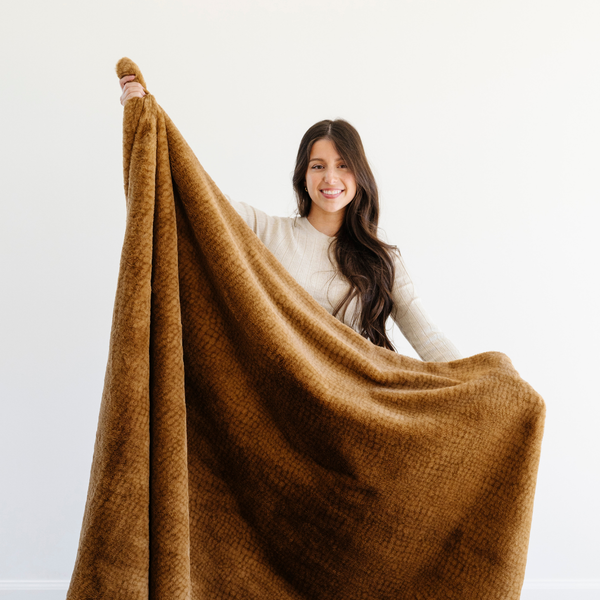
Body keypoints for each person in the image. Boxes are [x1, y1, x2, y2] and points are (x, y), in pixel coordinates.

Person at [119, 75, 462, 362]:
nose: (330, 178)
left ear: (360, 176)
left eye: (343, 165)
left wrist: (482, 384)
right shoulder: (265, 231)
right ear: (303, 176)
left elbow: (428, 339)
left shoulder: (382, 260)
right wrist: (145, 119)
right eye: (318, 166)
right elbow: (192, 193)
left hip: (353, 406)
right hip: (282, 409)